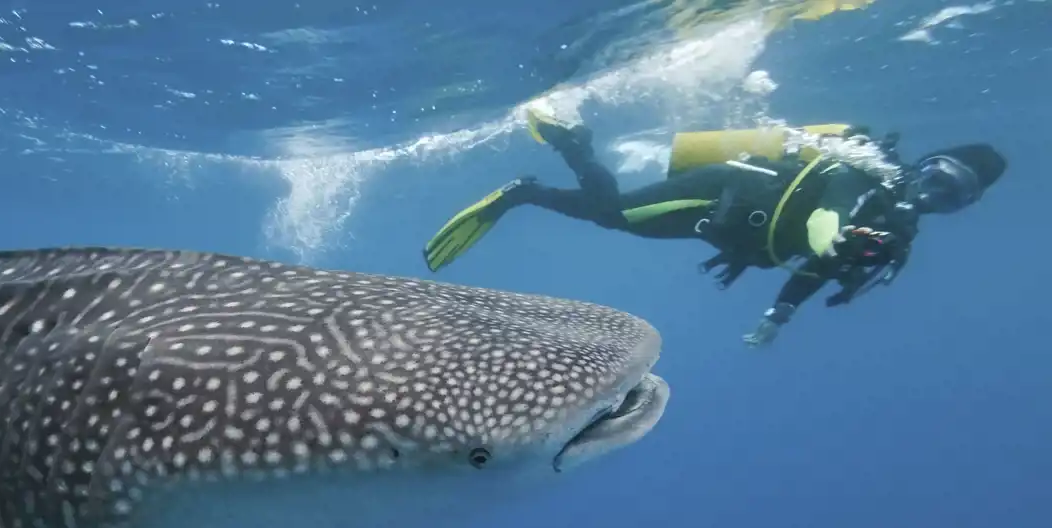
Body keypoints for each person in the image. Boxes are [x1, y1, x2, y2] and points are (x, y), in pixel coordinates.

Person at [422, 109, 1007, 347]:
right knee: (616, 213)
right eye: (937, 175)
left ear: (963, 206)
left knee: (618, 221)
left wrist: (778, 315)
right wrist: (829, 231)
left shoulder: (893, 241)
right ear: (925, 163)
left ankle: (545, 174)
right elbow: (831, 208)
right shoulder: (866, 175)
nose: (933, 194)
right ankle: (554, 161)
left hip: (729, 232)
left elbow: (819, 270)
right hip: (727, 191)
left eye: (953, 196)